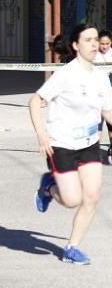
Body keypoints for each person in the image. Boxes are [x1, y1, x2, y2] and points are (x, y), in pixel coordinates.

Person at [30, 24, 112, 265]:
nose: (94, 44)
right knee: (72, 200)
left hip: (88, 144)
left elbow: (108, 111)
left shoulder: (100, 76)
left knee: (93, 197)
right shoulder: (66, 74)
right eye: (88, 40)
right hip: (62, 144)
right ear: (76, 46)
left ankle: (71, 248)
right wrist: (41, 134)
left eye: (96, 39)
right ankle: (48, 188)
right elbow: (35, 101)